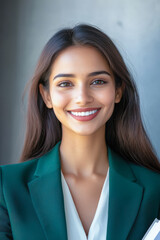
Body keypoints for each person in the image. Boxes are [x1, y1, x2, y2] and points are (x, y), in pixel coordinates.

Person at [0, 24, 160, 240]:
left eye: (98, 82)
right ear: (46, 96)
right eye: (65, 83)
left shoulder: (154, 189)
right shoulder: (7, 187)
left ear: (118, 91)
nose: (82, 97)